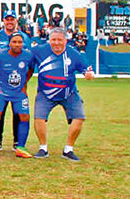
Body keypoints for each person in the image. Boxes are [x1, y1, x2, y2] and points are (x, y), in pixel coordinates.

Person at [31, 27, 94, 161]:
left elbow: (86, 69)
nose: (57, 43)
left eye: (60, 40)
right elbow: (21, 52)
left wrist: (89, 74)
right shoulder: (39, 51)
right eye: (53, 40)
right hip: (45, 93)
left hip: (69, 92)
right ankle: (43, 148)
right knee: (38, 117)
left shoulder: (74, 54)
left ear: (66, 40)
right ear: (49, 40)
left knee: (79, 117)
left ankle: (68, 149)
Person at [0, 33, 35, 158]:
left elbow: (31, 69)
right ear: (9, 43)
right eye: (14, 42)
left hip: (19, 92)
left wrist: (24, 84)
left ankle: (21, 147)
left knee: (25, 116)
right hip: (1, 92)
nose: (17, 44)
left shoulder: (28, 55)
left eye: (20, 42)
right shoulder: (0, 55)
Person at [0, 10, 31, 151]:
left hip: (17, 83)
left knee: (18, 112)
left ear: (15, 21)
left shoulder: (25, 38)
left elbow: (28, 60)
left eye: (12, 19)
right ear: (3, 21)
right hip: (0, 82)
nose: (9, 22)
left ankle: (17, 142)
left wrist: (25, 82)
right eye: (7, 19)